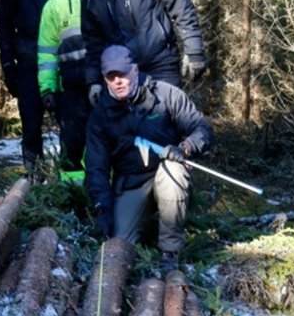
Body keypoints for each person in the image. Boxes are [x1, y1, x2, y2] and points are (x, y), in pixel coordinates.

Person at [85, 43, 213, 272]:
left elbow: (201, 127)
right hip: (132, 182)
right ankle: (144, 224)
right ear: (104, 78)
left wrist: (185, 148)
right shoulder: (101, 114)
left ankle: (169, 253)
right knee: (120, 241)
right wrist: (102, 208)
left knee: (173, 172)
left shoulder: (165, 94)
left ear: (135, 69)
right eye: (111, 76)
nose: (118, 81)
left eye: (122, 74)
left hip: (167, 172)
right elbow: (97, 168)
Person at [0, 0, 61, 175]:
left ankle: (72, 178)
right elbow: (3, 28)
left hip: (59, 63)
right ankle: (35, 176)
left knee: (69, 121)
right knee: (31, 125)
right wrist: (7, 65)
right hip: (27, 64)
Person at [37, 0, 90, 181]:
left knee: (103, 140)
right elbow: (46, 51)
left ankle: (103, 196)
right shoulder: (55, 4)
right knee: (72, 143)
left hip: (106, 82)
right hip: (70, 87)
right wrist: (47, 88)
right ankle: (72, 195)